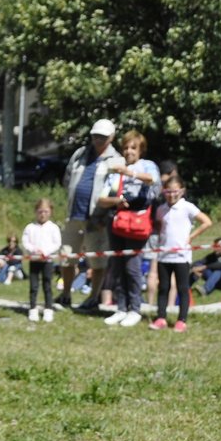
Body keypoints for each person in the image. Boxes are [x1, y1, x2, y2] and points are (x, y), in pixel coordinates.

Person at [97, 129, 159, 327]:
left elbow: (153, 180)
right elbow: (102, 198)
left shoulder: (147, 165)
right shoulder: (117, 169)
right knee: (117, 266)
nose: (129, 151)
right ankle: (121, 307)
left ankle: (135, 308)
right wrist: (116, 200)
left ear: (141, 149)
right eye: (125, 148)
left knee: (133, 267)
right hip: (118, 222)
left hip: (138, 223)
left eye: (133, 148)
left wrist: (130, 172)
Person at [60, 119, 123, 310]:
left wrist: (104, 215)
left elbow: (114, 192)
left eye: (102, 137)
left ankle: (94, 297)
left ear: (111, 138)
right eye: (95, 136)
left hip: (97, 219)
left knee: (97, 260)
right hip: (74, 215)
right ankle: (65, 294)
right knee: (66, 256)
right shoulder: (79, 154)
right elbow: (68, 178)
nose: (98, 140)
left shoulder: (116, 160)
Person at [149, 174, 212, 332]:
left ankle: (181, 320)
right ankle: (161, 317)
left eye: (175, 191)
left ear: (182, 191)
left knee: (183, 288)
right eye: (168, 192)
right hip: (164, 254)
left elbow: (206, 222)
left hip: (181, 256)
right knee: (163, 287)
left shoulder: (187, 207)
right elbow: (158, 226)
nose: (171, 195)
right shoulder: (161, 209)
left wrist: (190, 237)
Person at [21, 197, 62, 322]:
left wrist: (46, 252)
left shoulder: (53, 227)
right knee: (33, 286)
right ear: (36, 212)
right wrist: (33, 250)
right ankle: (32, 308)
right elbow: (25, 241)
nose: (42, 214)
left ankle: (48, 309)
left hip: (47, 261)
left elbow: (57, 243)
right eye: (40, 211)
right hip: (34, 260)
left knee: (47, 285)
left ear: (50, 212)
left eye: (45, 211)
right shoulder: (30, 227)